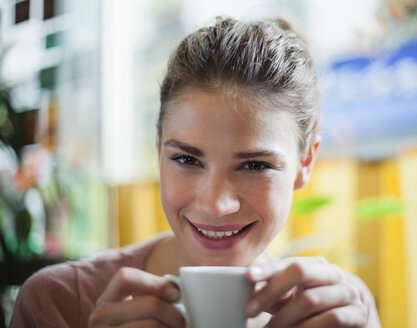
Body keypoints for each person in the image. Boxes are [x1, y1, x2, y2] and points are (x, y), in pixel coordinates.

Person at [11, 17, 381, 327]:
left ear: (306, 164)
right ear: (158, 149)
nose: (216, 205)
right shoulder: (59, 301)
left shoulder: (340, 310)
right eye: (187, 160)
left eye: (255, 165)